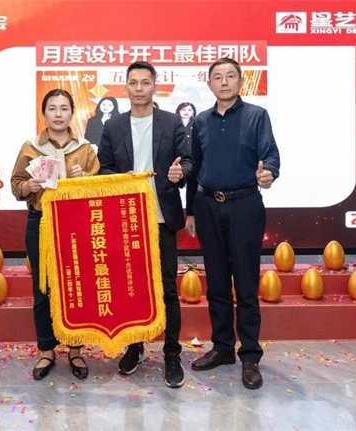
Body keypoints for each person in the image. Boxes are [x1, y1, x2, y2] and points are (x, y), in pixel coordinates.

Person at [185, 57, 280, 390]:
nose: (224, 82)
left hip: (245, 206)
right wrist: (191, 211)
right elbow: (194, 168)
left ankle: (250, 355)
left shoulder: (256, 116)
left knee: (246, 284)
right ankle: (223, 347)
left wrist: (269, 173)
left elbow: (271, 155)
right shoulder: (200, 121)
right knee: (217, 284)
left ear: (240, 82)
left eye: (230, 76)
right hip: (208, 207)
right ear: (209, 84)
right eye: (217, 77)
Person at [97, 61, 193, 388]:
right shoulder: (113, 126)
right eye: (133, 83)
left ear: (155, 86)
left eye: (145, 82)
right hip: (127, 220)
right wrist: (119, 179)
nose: (139, 88)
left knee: (167, 289)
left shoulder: (171, 122)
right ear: (125, 87)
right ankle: (135, 347)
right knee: (132, 289)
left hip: (162, 218)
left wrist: (181, 173)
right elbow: (103, 169)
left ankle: (171, 354)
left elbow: (188, 160)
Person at [11, 89, 100, 381]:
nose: (58, 114)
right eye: (52, 108)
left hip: (76, 223)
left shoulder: (85, 149)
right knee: (43, 288)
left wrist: (85, 180)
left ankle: (75, 349)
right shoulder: (30, 148)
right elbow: (16, 185)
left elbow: (100, 188)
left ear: (72, 113)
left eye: (64, 108)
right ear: (44, 113)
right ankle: (47, 350)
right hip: (40, 222)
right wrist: (29, 186)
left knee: (77, 288)